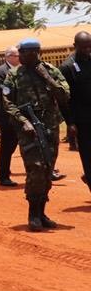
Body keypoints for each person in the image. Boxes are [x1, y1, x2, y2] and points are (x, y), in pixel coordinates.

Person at [2, 38, 70, 231]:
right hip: (28, 130)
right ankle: (33, 213)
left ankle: (42, 212)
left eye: (24, 53)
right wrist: (23, 122)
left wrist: (47, 78)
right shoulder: (14, 75)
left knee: (48, 168)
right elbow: (8, 103)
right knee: (35, 169)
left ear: (34, 54)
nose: (20, 57)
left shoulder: (51, 71)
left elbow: (64, 96)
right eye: (20, 53)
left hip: (50, 127)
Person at [61, 31, 91, 194]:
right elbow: (65, 100)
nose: (88, 50)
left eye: (90, 47)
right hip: (82, 120)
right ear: (75, 46)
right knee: (88, 155)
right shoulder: (67, 67)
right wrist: (70, 122)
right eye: (84, 47)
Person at [0, 46, 21, 187]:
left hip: (20, 113)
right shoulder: (1, 70)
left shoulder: (21, 69)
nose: (19, 57)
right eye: (16, 55)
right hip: (6, 115)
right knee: (7, 147)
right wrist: (7, 88)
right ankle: (3, 176)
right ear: (8, 56)